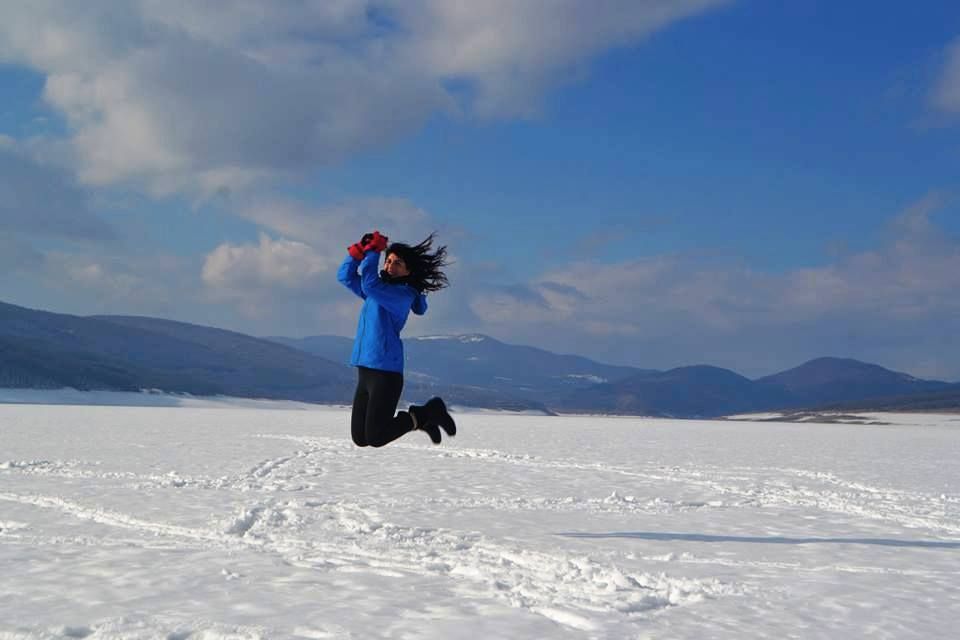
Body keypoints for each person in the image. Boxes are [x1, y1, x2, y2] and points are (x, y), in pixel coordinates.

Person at [337, 230, 456, 447]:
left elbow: (370, 284)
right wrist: (358, 250)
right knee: (361, 438)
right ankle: (422, 418)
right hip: (364, 370)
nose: (390, 265)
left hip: (385, 374)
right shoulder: (378, 291)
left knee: (375, 437)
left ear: (408, 271)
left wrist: (373, 251)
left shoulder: (402, 295)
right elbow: (344, 277)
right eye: (388, 260)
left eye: (397, 263)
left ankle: (427, 413)